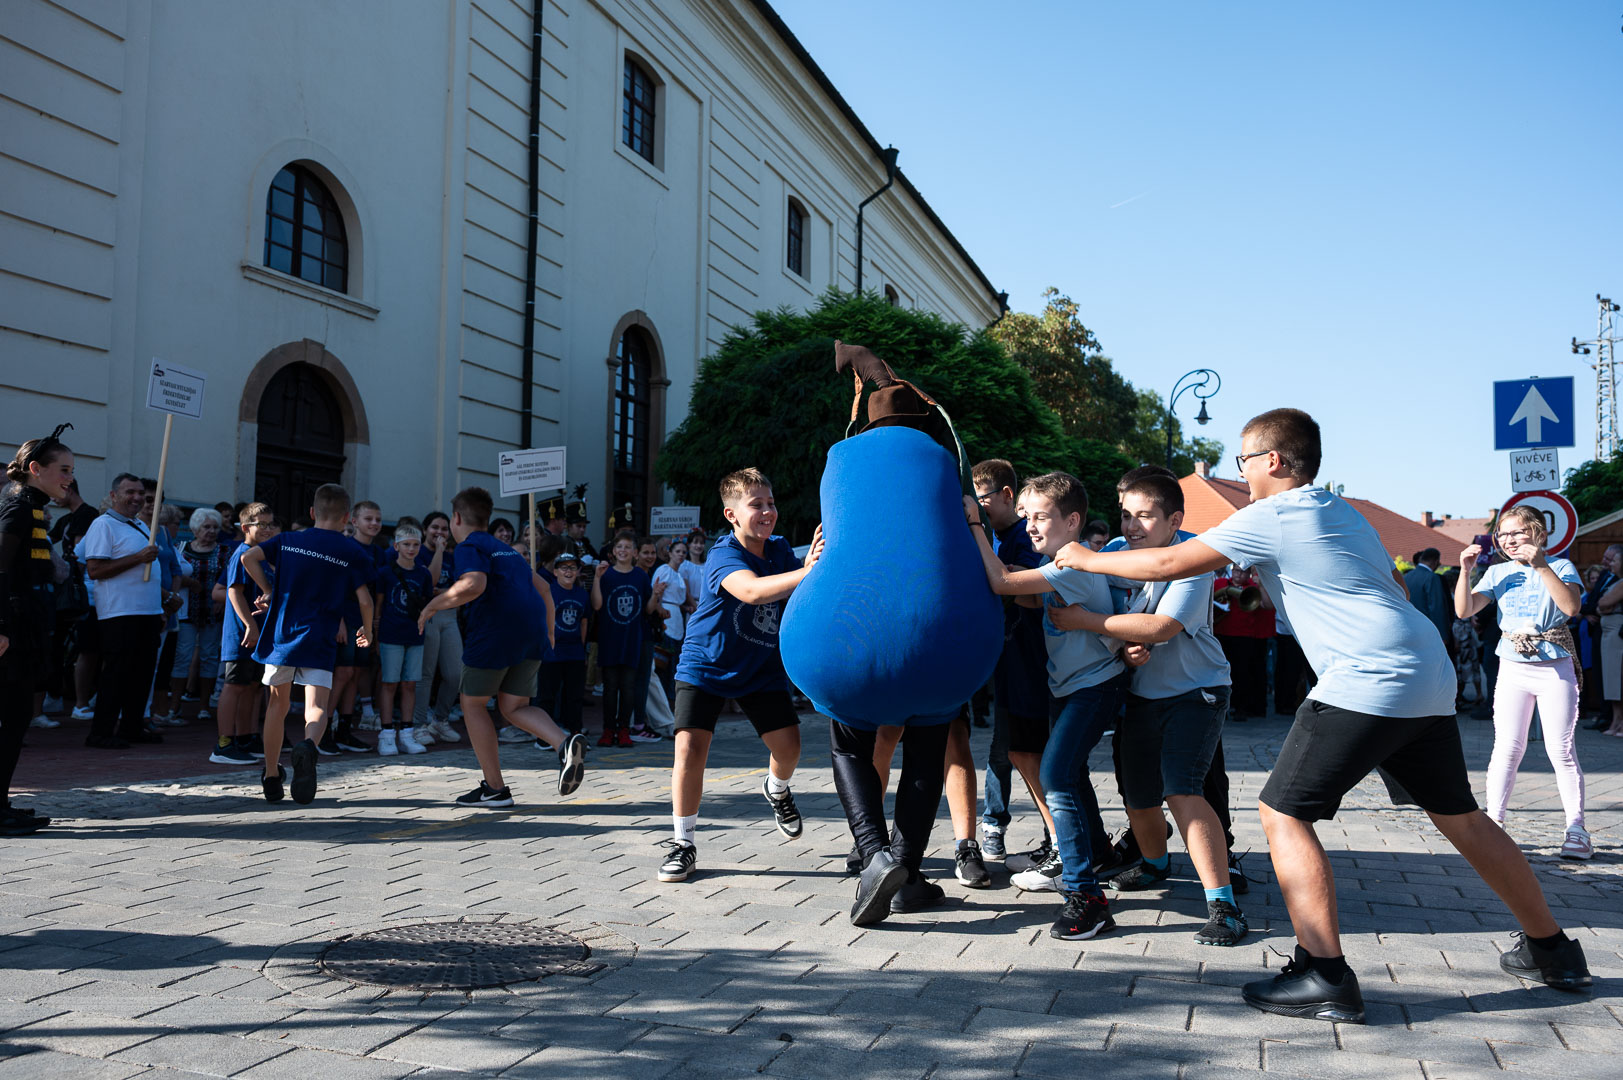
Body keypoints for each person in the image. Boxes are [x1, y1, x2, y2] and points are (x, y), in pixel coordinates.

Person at [1052, 408, 1591, 1020]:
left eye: (1243, 461)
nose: (1241, 472)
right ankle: (1554, 950)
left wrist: (1083, 558)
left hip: (1368, 676)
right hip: (1425, 672)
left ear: (1273, 461)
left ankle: (1324, 973)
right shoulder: (1340, 510)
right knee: (1461, 818)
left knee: (1281, 812)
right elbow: (1386, 587)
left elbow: (1166, 563)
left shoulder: (1274, 513)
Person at [1045, 471, 1246, 946]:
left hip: (1197, 692)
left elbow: (1161, 627)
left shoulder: (1193, 560)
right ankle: (1155, 865)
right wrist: (1124, 644)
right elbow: (1120, 617)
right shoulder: (1114, 552)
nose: (1132, 526)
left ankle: (1224, 907)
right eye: (1125, 515)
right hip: (1141, 695)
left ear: (1174, 520)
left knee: (1181, 790)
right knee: (1137, 797)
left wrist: (1088, 621)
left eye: (1145, 516)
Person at [966, 472, 1130, 941]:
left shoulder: (1072, 564)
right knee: (1071, 777)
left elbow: (1002, 582)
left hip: (1094, 687)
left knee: (1056, 777)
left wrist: (975, 526)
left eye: (1041, 517)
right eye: (1027, 516)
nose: (1030, 525)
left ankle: (1086, 897)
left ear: (1072, 521)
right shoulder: (1054, 563)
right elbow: (1029, 597)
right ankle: (1096, 855)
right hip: (1067, 687)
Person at [659, 468, 820, 884]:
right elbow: (751, 591)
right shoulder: (723, 554)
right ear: (731, 514)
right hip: (706, 664)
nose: (767, 511)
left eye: (771, 503)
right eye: (756, 505)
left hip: (759, 668)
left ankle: (777, 789)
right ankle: (682, 843)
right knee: (689, 749)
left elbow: (804, 590)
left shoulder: (780, 550)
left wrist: (820, 558)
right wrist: (808, 571)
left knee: (790, 750)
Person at [413, 486, 586, 807]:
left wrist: (433, 605)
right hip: (531, 632)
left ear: (456, 518)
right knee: (514, 707)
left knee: (473, 704)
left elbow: (473, 584)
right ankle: (564, 743)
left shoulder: (470, 545)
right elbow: (545, 589)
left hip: (495, 632)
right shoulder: (507, 551)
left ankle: (495, 789)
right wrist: (549, 631)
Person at [1454, 509, 1587, 858]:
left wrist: (1541, 566)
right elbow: (1464, 611)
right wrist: (1466, 571)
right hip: (1513, 667)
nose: (1509, 540)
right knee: (1507, 747)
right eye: (1503, 534)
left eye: (1517, 533)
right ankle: (1494, 824)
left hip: (1554, 667)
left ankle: (1576, 829)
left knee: (1560, 749)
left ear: (1538, 534)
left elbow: (1571, 608)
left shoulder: (1560, 566)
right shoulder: (1497, 572)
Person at [238, 484, 377, 805]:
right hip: (320, 637)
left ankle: (271, 775)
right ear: (347, 517)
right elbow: (365, 600)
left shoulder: (288, 540)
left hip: (282, 636)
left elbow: (248, 557)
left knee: (277, 706)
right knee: (317, 706)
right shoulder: (352, 551)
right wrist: (367, 630)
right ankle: (309, 746)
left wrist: (268, 589)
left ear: (313, 512)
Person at [972, 460, 1055, 867]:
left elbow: (1013, 579)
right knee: (1005, 747)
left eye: (982, 499)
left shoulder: (1026, 536)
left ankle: (1058, 838)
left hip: (1035, 661)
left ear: (1007, 495)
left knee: (1035, 752)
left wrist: (976, 532)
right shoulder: (984, 534)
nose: (978, 508)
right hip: (1005, 659)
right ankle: (995, 825)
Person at [1, 424, 76, 835]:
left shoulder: (28, 505)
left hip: (25, 625)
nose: (69, 479)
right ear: (35, 469)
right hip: (12, 629)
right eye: (63, 470)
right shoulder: (17, 508)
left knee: (15, 720)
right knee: (10, 719)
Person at [80, 474, 174, 749]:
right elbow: (95, 569)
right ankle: (100, 732)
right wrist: (137, 558)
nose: (137, 498)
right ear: (113, 496)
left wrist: (163, 602)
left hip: (147, 612)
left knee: (142, 675)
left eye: (141, 493)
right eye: (129, 492)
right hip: (119, 613)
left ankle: (131, 728)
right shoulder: (103, 525)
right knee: (116, 674)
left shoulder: (141, 525)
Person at [212, 503, 276, 766]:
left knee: (252, 686)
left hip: (259, 633)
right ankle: (224, 744)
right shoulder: (242, 553)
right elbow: (233, 592)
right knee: (235, 685)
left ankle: (246, 736)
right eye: (262, 524)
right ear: (245, 527)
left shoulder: (261, 555)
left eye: (271, 524)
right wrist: (250, 624)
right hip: (242, 634)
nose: (268, 529)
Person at [591, 530, 658, 747]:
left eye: (627, 547)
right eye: (619, 547)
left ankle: (624, 729)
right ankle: (608, 729)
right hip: (610, 639)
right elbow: (597, 605)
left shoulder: (640, 576)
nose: (623, 550)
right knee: (610, 687)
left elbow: (648, 609)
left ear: (635, 552)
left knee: (629, 687)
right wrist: (596, 578)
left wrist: (656, 594)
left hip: (632, 640)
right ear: (613, 551)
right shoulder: (606, 575)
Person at [376, 524, 435, 755]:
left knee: (410, 684)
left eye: (415, 544)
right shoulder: (385, 572)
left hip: (415, 635)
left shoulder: (423, 574)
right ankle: (386, 734)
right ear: (396, 546)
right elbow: (379, 604)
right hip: (391, 634)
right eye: (406, 544)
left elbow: (427, 603)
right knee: (389, 683)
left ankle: (407, 733)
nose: (411, 549)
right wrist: (375, 633)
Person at [169, 508, 227, 725]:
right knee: (182, 656)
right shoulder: (180, 548)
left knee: (209, 657)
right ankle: (174, 706)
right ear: (195, 528)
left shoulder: (224, 552)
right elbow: (173, 573)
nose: (211, 531)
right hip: (185, 611)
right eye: (206, 527)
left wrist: (222, 601)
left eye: (215, 527)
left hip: (212, 612)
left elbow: (230, 579)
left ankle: (204, 707)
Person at [411, 511, 464, 745]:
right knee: (426, 673)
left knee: (455, 673)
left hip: (449, 615)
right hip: (428, 613)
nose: (439, 533)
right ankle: (418, 724)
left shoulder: (454, 558)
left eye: (444, 529)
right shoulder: (418, 553)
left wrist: (445, 592)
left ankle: (440, 720)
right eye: (435, 527)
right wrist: (440, 552)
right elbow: (429, 583)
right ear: (425, 530)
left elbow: (460, 588)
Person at [1212, 564, 1273, 720]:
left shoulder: (1252, 587)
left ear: (1248, 574)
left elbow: (1267, 605)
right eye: (1236, 571)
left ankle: (1241, 708)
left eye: (1243, 572)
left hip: (1245, 636)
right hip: (1221, 634)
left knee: (1242, 674)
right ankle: (1223, 707)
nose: (1238, 575)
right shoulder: (1219, 583)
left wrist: (1260, 585)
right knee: (1220, 674)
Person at [538, 549, 589, 735]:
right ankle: (544, 736)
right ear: (555, 571)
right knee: (547, 696)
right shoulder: (548, 592)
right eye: (563, 567)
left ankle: (575, 732)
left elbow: (584, 622)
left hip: (574, 652)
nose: (568, 571)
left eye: (572, 567)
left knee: (574, 696)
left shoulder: (582, 594)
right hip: (552, 652)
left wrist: (581, 648)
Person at [651, 539, 689, 710]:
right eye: (678, 551)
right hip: (666, 616)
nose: (681, 555)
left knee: (674, 662)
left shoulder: (679, 574)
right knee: (663, 662)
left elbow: (678, 600)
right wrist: (659, 612)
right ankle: (661, 703)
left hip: (677, 617)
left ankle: (671, 701)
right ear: (670, 553)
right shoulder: (664, 570)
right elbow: (657, 593)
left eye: (683, 552)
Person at [1590, 545, 1623, 735]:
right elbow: (1598, 605)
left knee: (1618, 677)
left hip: (1616, 632)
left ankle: (1620, 721)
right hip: (1606, 631)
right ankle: (1616, 720)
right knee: (1610, 678)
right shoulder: (1613, 580)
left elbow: (1604, 603)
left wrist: (1604, 606)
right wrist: (1603, 607)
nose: (1611, 564)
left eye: (1615, 561)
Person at [1404, 548, 1453, 651]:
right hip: (1428, 630)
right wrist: (1443, 635)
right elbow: (1437, 607)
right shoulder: (1432, 578)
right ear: (1435, 561)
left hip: (1408, 627)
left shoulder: (1406, 577)